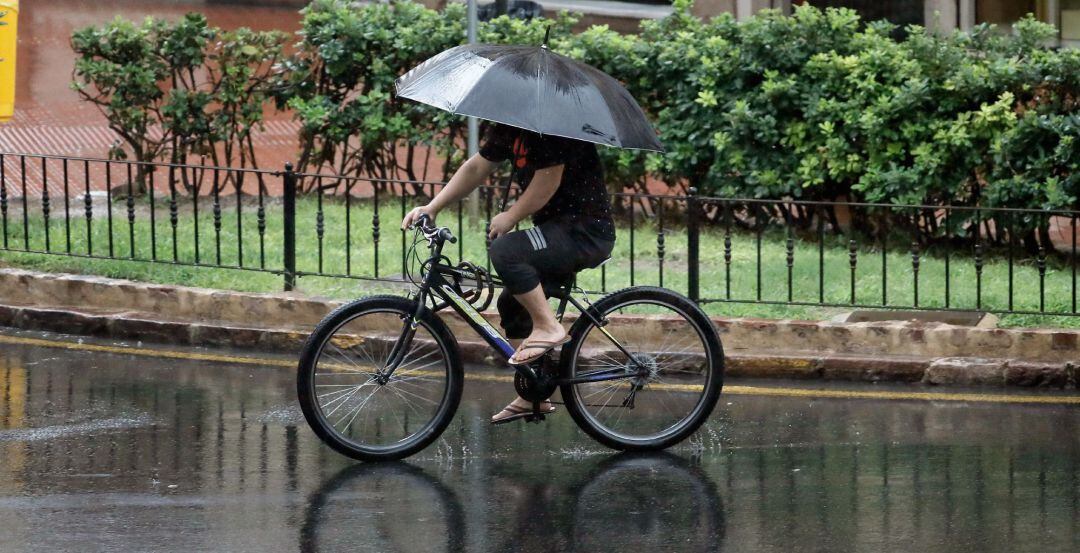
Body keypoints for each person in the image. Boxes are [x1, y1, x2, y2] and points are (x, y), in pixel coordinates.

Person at [401, 122, 615, 424]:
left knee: (507, 251)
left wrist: (511, 216)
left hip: (584, 231)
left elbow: (548, 181)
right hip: (557, 230)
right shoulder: (511, 127)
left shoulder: (551, 126)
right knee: (512, 302)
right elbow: (477, 167)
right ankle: (533, 395)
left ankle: (548, 327)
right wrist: (432, 207)